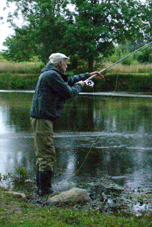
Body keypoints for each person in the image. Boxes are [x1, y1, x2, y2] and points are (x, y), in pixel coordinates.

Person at [30, 53, 103, 196]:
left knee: (43, 153)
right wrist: (80, 86)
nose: (67, 65)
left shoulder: (51, 74)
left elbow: (69, 80)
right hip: (42, 119)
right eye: (65, 62)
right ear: (59, 63)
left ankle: (41, 189)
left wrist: (88, 75)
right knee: (47, 154)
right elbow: (69, 92)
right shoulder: (51, 75)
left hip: (42, 118)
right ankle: (45, 191)